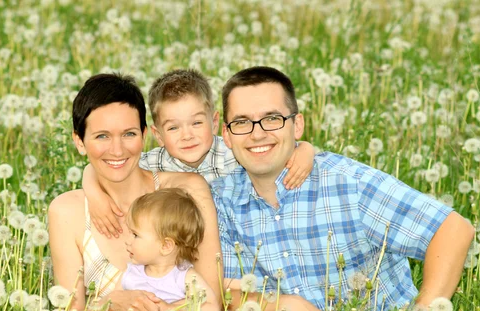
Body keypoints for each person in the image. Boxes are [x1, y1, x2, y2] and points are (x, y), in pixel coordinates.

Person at [210, 66, 475, 311]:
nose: (257, 133)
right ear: (226, 135)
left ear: (297, 125)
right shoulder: (219, 201)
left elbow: (453, 230)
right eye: (241, 123)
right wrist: (288, 305)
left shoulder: (347, 183)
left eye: (272, 119)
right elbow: (224, 294)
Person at [48, 73, 222, 311]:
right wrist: (108, 303)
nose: (117, 150)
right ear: (79, 141)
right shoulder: (66, 212)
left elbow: (211, 299)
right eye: (102, 136)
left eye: (129, 134)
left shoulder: (187, 190)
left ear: (144, 134)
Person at [82, 69, 317, 238]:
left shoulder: (233, 151)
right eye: (173, 128)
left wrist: (305, 149)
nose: (187, 136)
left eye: (196, 123)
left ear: (215, 122)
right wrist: (95, 195)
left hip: (233, 242)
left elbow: (275, 151)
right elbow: (102, 166)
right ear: (158, 134)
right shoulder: (153, 162)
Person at [117, 188, 221, 311]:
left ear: (166, 246)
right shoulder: (131, 274)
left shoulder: (184, 276)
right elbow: (114, 306)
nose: (127, 240)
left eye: (135, 235)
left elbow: (213, 310)